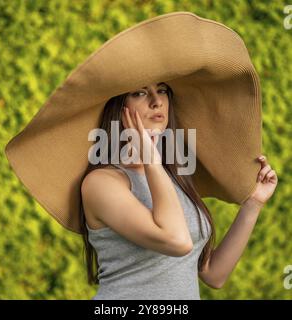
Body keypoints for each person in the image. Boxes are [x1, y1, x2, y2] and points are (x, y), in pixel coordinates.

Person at [80, 82, 278, 300]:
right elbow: (177, 241)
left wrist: (254, 203)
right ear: (118, 108)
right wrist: (151, 160)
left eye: (162, 90)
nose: (157, 101)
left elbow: (213, 274)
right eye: (140, 93)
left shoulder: (171, 179)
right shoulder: (101, 183)